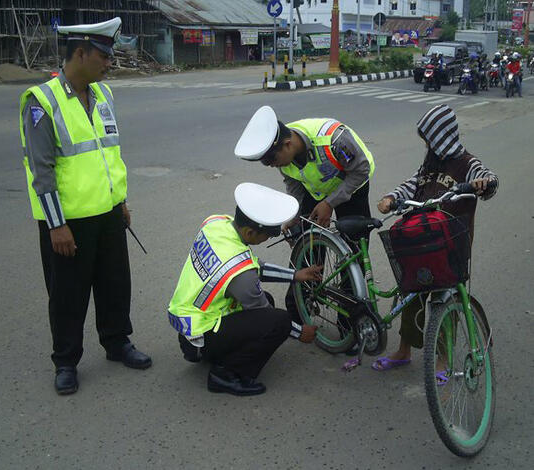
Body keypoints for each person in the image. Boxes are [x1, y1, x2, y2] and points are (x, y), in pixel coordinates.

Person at [19, 17, 151, 395]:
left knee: (114, 285)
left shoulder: (104, 96)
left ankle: (117, 342)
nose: (109, 64)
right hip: (69, 221)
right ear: (80, 54)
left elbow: (109, 155)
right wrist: (56, 225)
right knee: (68, 295)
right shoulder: (41, 102)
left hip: (108, 215)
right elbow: (41, 170)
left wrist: (121, 203)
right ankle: (65, 360)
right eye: (103, 57)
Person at [372, 105, 498, 381]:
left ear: (441, 136)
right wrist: (391, 198)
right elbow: (411, 184)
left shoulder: (467, 163)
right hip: (423, 241)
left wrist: (483, 183)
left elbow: (488, 179)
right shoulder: (429, 165)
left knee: (446, 298)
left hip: (452, 244)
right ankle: (404, 350)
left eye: (430, 138)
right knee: (412, 294)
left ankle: (443, 358)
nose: (427, 144)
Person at [234, 106, 375, 349]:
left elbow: (361, 170)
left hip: (352, 188)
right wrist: (295, 213)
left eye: (271, 159)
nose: (270, 165)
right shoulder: (284, 158)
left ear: (287, 144)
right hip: (316, 192)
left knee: (353, 258)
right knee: (306, 249)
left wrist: (330, 203)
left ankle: (349, 326)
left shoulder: (334, 139)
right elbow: (293, 181)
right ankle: (299, 315)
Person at [167, 183, 321, 396]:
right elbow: (251, 285)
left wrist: (296, 275)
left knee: (265, 303)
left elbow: (251, 266)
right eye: (266, 235)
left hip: (188, 327)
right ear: (249, 231)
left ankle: (215, 353)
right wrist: (299, 331)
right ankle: (226, 374)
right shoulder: (240, 272)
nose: (267, 238)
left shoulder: (216, 224)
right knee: (279, 321)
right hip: (201, 336)